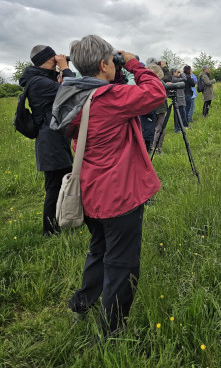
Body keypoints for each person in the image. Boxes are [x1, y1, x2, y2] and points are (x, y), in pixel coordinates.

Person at [50, 35, 166, 337]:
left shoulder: (72, 92)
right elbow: (155, 93)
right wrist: (133, 63)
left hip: (89, 193)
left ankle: (82, 304)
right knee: (121, 264)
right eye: (112, 63)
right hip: (118, 196)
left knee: (99, 251)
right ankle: (112, 333)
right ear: (104, 64)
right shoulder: (110, 98)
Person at [19, 45, 75, 236]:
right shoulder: (38, 82)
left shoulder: (40, 79)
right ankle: (49, 231)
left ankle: (61, 221)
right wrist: (65, 67)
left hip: (53, 139)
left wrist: (60, 72)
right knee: (54, 187)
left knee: (60, 183)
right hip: (50, 142)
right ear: (49, 59)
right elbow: (72, 90)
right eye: (55, 58)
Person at [170, 68, 188, 132]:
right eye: (176, 72)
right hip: (178, 99)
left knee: (182, 113)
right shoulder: (174, 79)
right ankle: (177, 129)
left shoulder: (176, 78)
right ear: (173, 73)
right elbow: (185, 79)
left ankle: (182, 126)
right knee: (177, 115)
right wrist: (182, 73)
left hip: (181, 98)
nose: (177, 73)